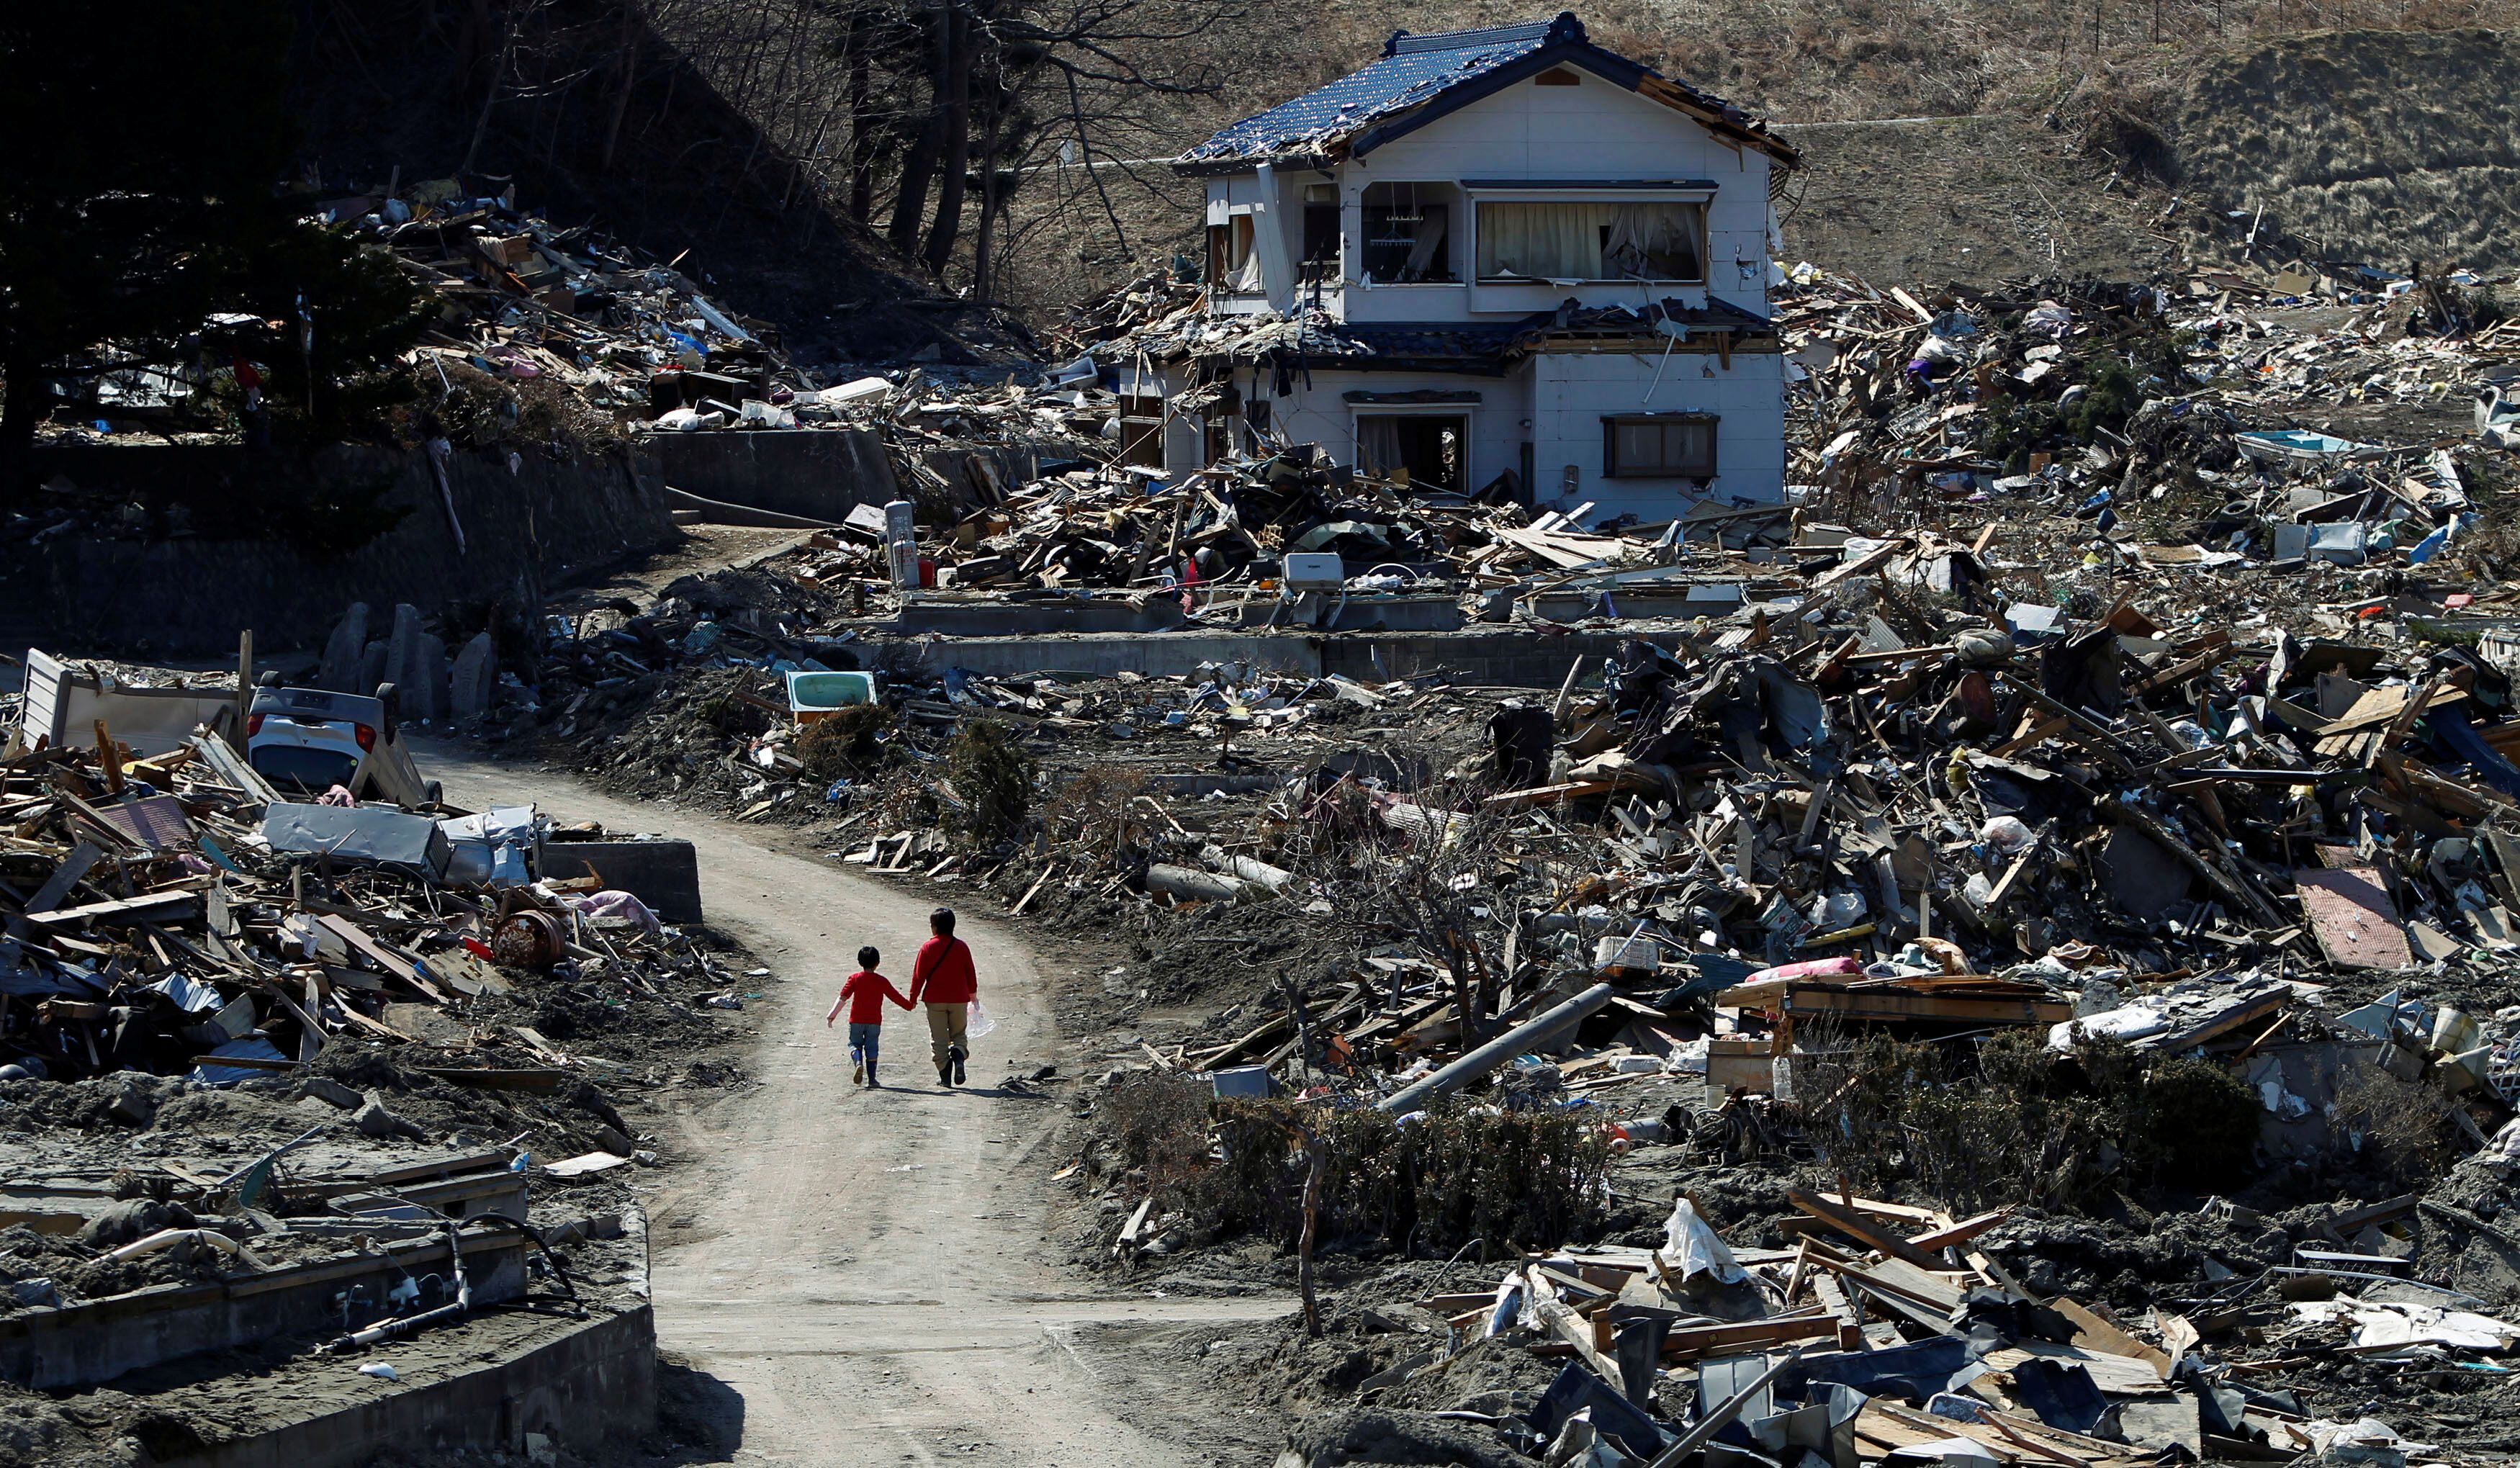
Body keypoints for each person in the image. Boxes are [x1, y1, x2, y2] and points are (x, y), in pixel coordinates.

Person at [905, 907, 978, 1087]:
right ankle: (959, 1056)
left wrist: (912, 998)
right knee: (959, 1033)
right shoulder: (961, 946)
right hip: (959, 999)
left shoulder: (928, 947)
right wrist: (973, 995)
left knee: (939, 1039)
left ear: (935, 927)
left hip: (935, 999)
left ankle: (945, 1078)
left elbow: (918, 976)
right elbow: (970, 972)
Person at [824, 946, 910, 1087]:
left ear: (860, 962)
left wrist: (832, 1015)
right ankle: (872, 1080)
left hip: (856, 1020)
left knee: (854, 1044)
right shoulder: (881, 981)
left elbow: (843, 998)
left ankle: (858, 1062)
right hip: (874, 1022)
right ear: (878, 963)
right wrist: (909, 1005)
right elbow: (895, 997)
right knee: (872, 1048)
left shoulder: (854, 979)